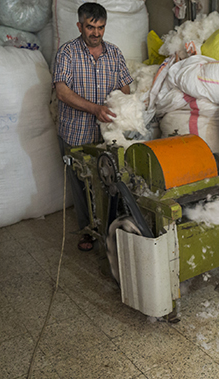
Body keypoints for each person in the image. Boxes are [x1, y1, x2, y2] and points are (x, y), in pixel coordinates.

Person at [53, 2, 133, 251]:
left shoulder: (115, 53)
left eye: (100, 27)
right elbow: (62, 92)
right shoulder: (67, 52)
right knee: (81, 184)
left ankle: (111, 228)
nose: (96, 33)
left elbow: (125, 88)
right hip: (75, 132)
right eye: (90, 27)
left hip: (105, 134)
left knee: (108, 181)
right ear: (80, 26)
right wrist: (95, 108)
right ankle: (87, 231)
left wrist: (117, 104)